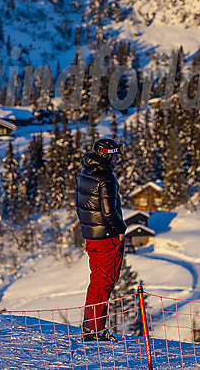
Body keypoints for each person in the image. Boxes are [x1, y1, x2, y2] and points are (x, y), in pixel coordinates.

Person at [76, 137, 127, 342]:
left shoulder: (85, 173)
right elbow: (109, 213)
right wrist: (121, 229)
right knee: (105, 282)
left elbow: (79, 206)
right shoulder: (106, 179)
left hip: (92, 237)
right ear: (107, 155)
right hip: (107, 237)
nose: (117, 159)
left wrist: (87, 230)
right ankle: (95, 330)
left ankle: (91, 327)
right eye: (115, 155)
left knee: (96, 282)